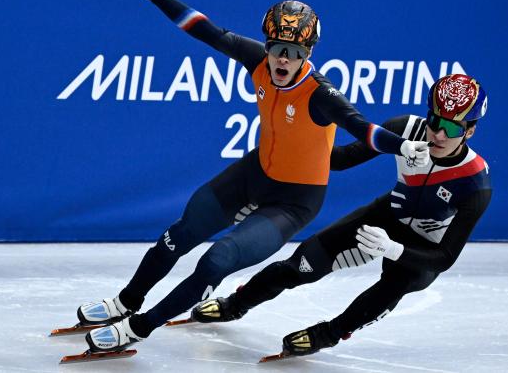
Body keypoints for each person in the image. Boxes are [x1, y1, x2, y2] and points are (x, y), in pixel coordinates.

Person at [79, 0, 430, 353]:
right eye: (279, 48)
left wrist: (400, 145)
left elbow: (361, 128)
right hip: (255, 173)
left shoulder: (320, 94)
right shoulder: (258, 61)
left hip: (295, 201)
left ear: (309, 55)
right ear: (268, 45)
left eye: (296, 53)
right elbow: (201, 27)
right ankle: (127, 300)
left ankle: (139, 327)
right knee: (180, 232)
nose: (284, 59)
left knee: (216, 261)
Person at [191, 74, 492, 357]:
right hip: (387, 216)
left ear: (470, 130)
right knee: (301, 264)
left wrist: (392, 249)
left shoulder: (475, 182)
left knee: (391, 288)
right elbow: (341, 159)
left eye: (451, 128)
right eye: (434, 121)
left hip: (422, 248)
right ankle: (235, 304)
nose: (438, 134)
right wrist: (299, 134)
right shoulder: (405, 130)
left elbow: (445, 256)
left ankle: (329, 333)